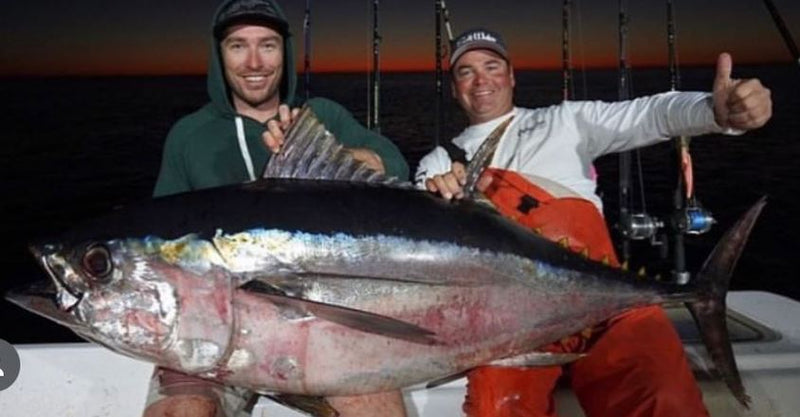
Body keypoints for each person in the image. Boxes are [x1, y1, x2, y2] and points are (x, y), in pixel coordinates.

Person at [415, 28, 771, 417]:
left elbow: (650, 115)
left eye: (491, 66)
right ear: (454, 89)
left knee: (662, 398)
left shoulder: (564, 122)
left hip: (607, 312)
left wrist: (716, 112)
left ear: (512, 76)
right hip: (510, 327)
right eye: (465, 72)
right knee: (495, 408)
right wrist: (435, 199)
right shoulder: (437, 163)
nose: (481, 80)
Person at [148, 0, 409, 416]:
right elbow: (160, 245)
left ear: (283, 53)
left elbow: (394, 165)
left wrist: (327, 151)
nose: (254, 62)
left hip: (319, 324)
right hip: (210, 330)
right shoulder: (189, 136)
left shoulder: (320, 115)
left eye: (267, 45)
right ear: (219, 56)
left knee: (376, 409)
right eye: (238, 46)